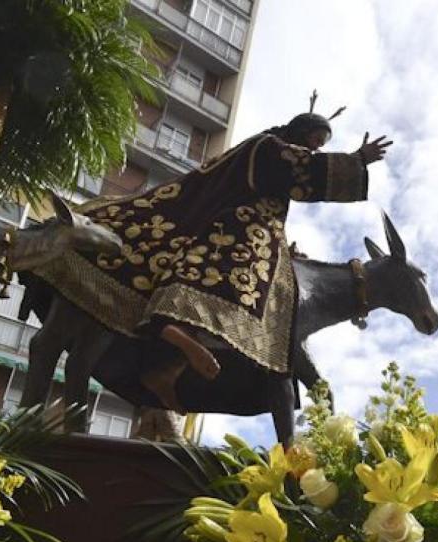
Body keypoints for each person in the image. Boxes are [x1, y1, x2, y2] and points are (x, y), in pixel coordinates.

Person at [29, 108, 392, 411]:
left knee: (86, 355)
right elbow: (300, 170)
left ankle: (171, 353)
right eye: (315, 140)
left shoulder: (267, 155)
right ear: (300, 132)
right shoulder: (267, 148)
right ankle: (172, 331)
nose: (316, 149)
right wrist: (356, 160)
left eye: (321, 145)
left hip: (231, 234)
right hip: (228, 233)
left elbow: (297, 175)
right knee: (237, 280)